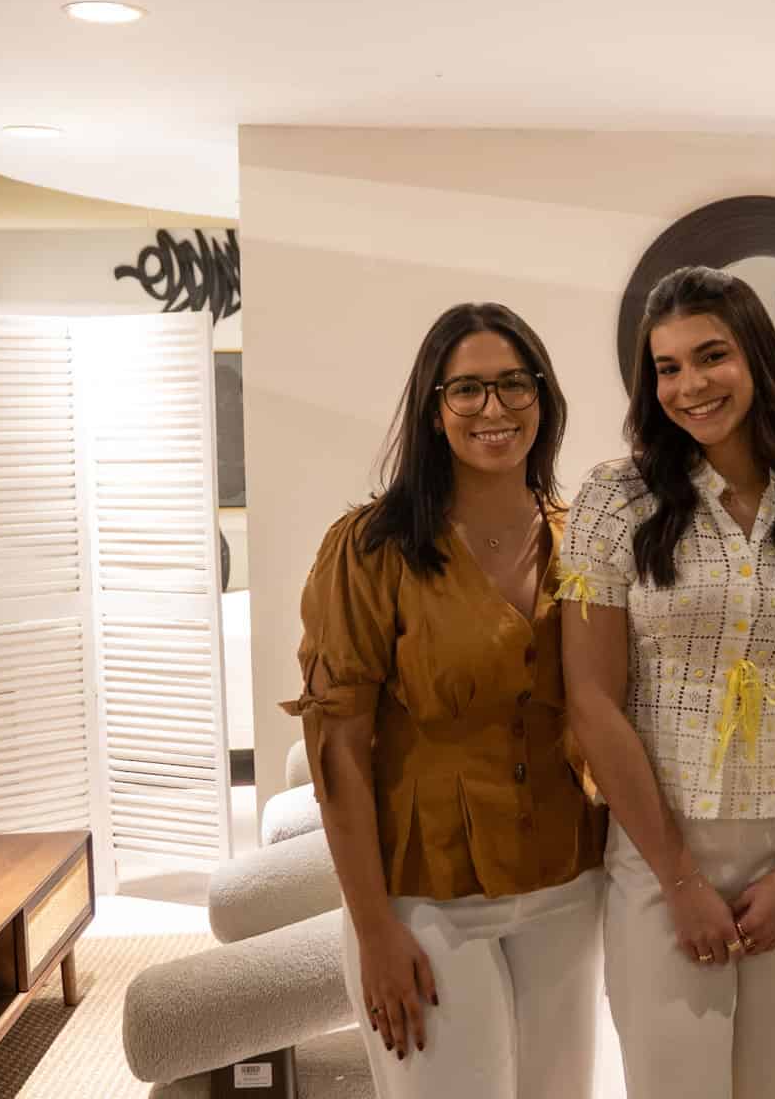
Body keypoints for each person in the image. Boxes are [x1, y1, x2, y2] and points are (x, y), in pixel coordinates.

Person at [560, 266, 775, 1099]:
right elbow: (593, 702)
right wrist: (679, 880)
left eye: (711, 356)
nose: (690, 385)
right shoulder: (615, 500)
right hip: (659, 847)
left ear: (760, 361)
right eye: (667, 367)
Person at [281, 303, 606, 1099]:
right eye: (467, 390)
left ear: (543, 398)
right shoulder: (369, 551)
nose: (493, 409)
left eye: (512, 385)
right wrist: (374, 932)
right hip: (425, 901)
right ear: (434, 408)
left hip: (567, 883)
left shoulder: (585, 540)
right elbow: (340, 755)